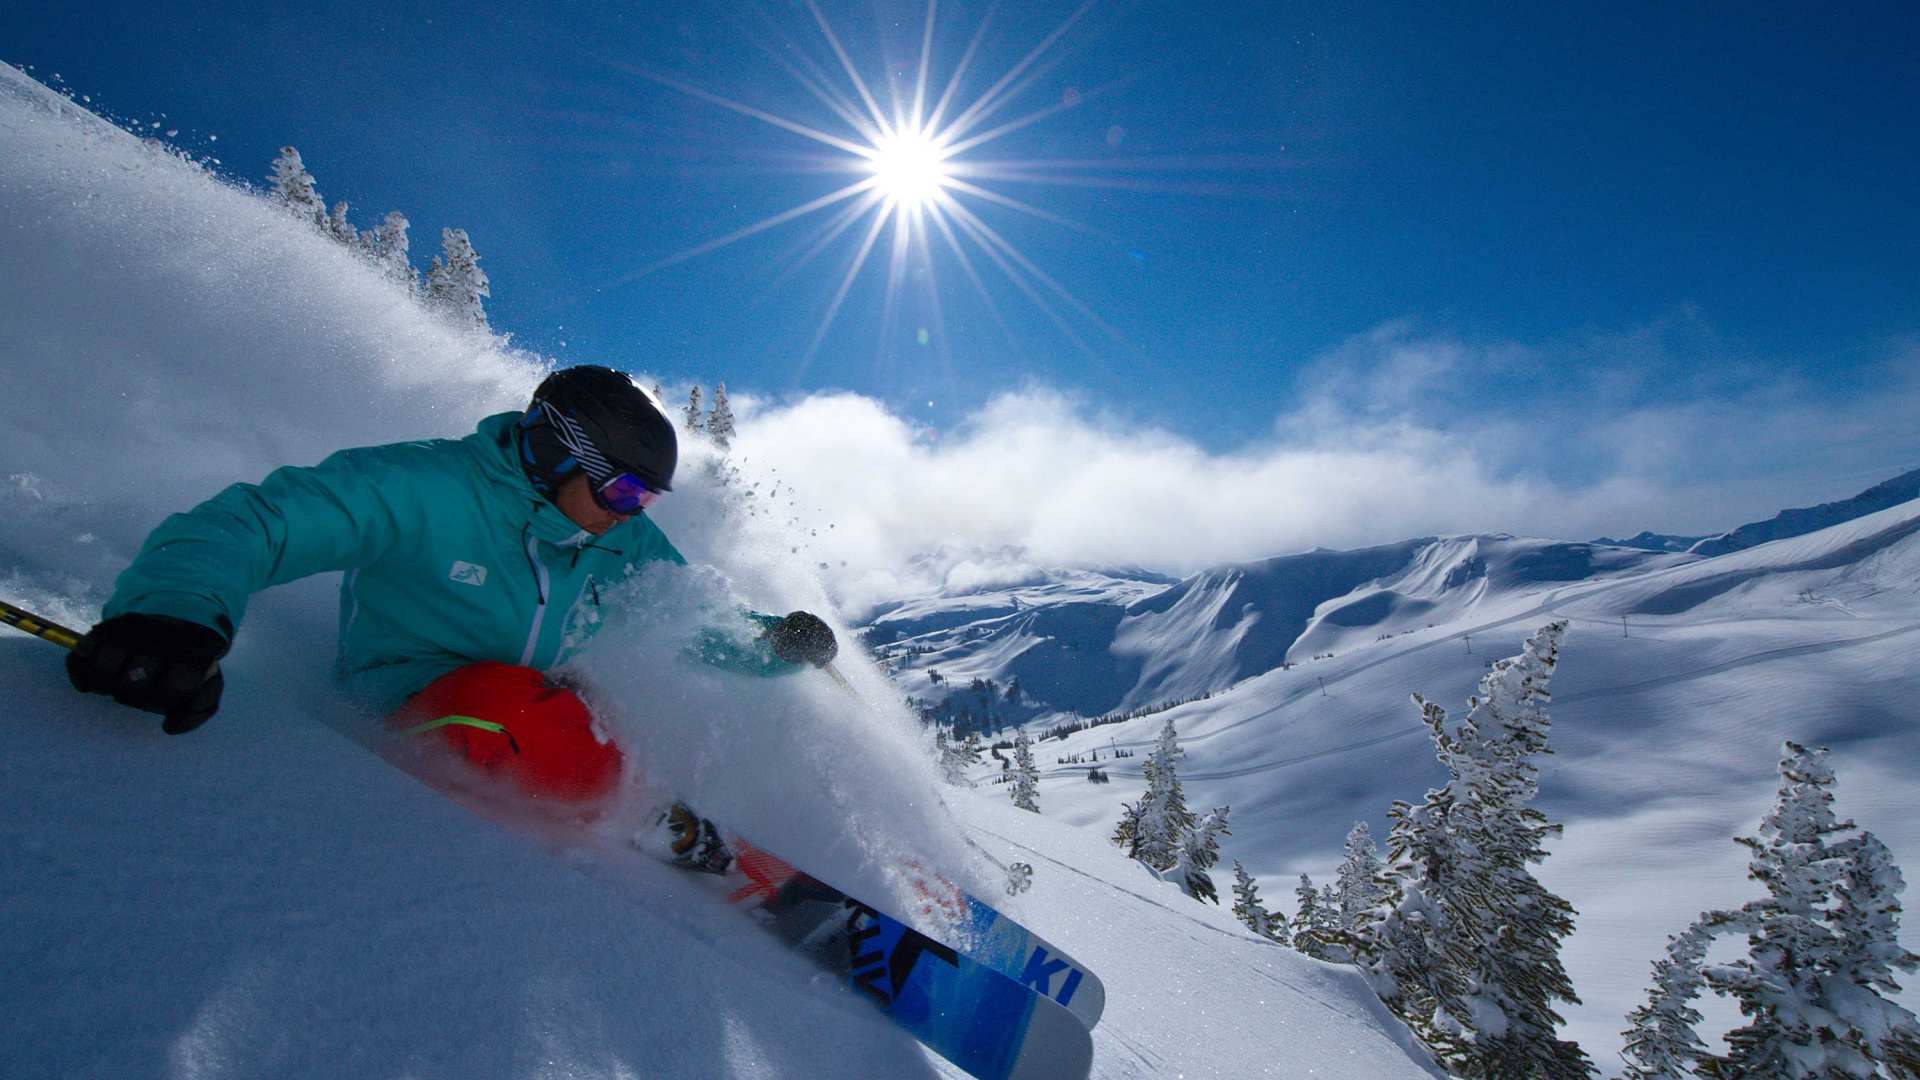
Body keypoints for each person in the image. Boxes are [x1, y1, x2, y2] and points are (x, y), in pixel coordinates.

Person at [65, 365, 838, 812]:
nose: (630, 515)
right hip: (417, 706)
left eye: (644, 500)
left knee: (596, 713)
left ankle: (654, 812)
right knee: (511, 715)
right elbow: (256, 523)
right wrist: (171, 615)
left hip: (544, 706)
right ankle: (632, 819)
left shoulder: (618, 536)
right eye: (625, 491)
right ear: (554, 453)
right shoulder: (426, 487)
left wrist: (774, 643)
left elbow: (688, 621)